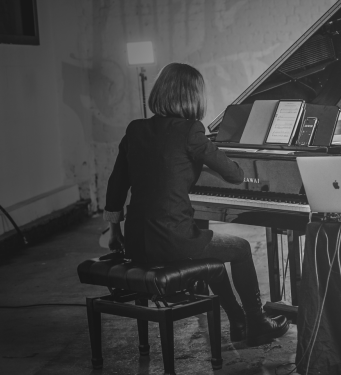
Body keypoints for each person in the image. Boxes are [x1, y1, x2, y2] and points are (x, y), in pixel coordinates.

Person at [103, 62, 289, 346]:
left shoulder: (136, 129)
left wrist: (114, 231)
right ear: (193, 96)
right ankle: (256, 321)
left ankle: (239, 321)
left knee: (212, 255)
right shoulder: (191, 130)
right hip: (172, 239)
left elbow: (116, 185)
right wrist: (208, 161)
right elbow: (236, 174)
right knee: (241, 248)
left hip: (137, 241)